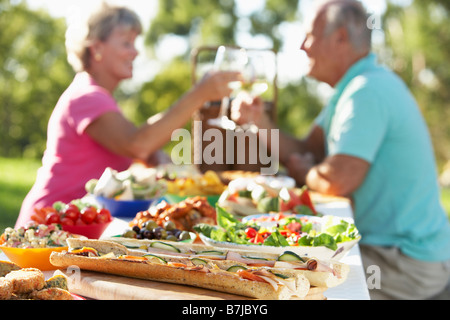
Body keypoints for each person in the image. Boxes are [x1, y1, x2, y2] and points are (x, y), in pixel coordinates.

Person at [231, 0, 450, 299]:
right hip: (391, 250)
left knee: (285, 281)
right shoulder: (351, 89)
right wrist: (258, 121)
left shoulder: (366, 92)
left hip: (405, 261)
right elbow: (307, 148)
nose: (301, 47)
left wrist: (305, 171)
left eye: (310, 36)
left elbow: (336, 179)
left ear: (341, 38)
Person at [16, 3, 241, 228]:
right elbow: (138, 144)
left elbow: (137, 147)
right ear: (96, 49)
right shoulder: (86, 97)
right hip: (46, 227)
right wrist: (199, 95)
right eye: (126, 43)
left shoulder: (98, 97)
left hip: (74, 224)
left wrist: (157, 158)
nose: (135, 52)